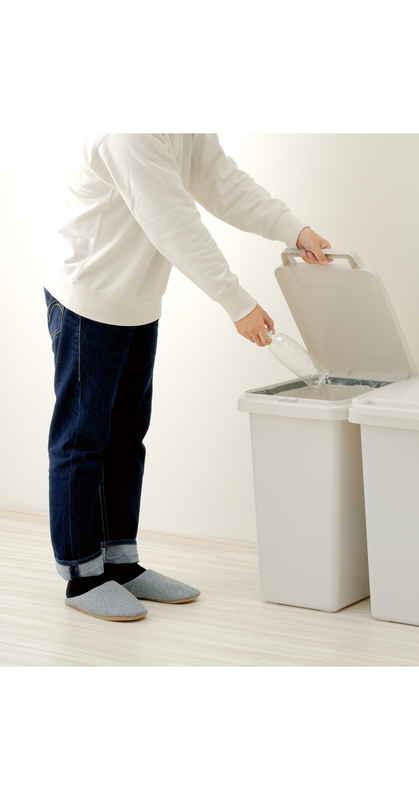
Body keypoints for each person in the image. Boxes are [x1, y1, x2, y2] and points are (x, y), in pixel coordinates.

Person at [45, 133, 331, 622]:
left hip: (136, 300)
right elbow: (171, 222)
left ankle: (120, 563)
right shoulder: (129, 130)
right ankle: (83, 574)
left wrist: (293, 229)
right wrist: (237, 303)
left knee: (126, 437)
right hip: (89, 298)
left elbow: (220, 180)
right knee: (83, 439)